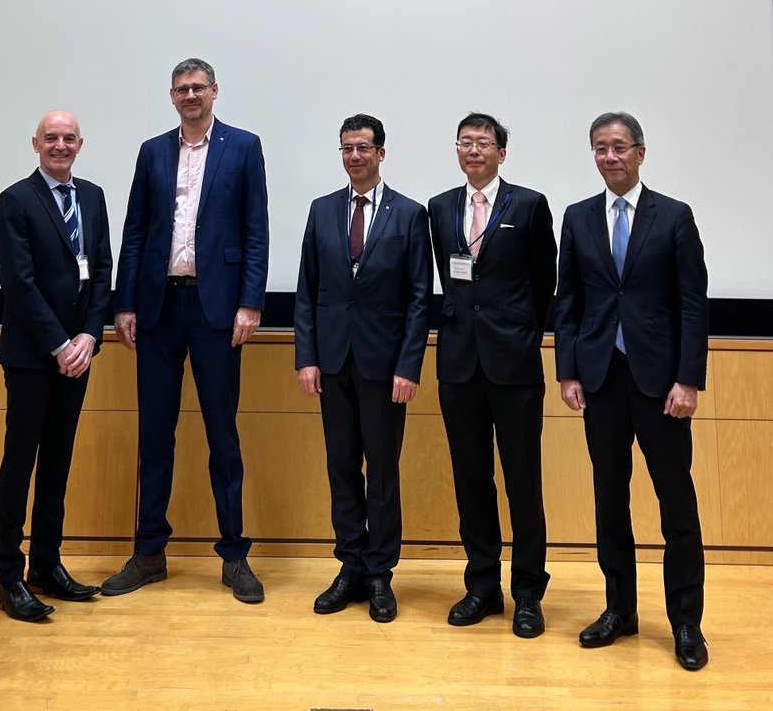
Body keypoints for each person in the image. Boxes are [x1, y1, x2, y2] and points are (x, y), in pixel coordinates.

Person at [103, 59, 269, 603]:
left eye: (199, 87)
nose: (190, 95)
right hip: (156, 309)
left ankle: (234, 555)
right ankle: (149, 552)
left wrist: (250, 303)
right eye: (182, 89)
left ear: (215, 91)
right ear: (171, 96)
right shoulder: (152, 151)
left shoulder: (243, 147)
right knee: (155, 434)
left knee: (223, 436)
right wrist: (123, 304)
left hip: (217, 310)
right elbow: (134, 232)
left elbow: (254, 230)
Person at [553, 112, 709, 671]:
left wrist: (688, 379)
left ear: (640, 153)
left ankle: (686, 622)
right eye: (600, 148)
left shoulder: (674, 217)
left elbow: (693, 303)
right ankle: (620, 609)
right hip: (600, 380)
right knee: (609, 501)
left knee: (676, 504)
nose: (610, 156)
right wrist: (568, 371)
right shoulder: (576, 218)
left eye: (619, 147)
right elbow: (566, 300)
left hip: (661, 383)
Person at [294, 114, 431, 622]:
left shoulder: (410, 215)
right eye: (347, 148)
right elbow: (308, 291)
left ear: (381, 153)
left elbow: (420, 299)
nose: (355, 156)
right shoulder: (322, 210)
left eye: (364, 148)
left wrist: (408, 366)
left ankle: (379, 573)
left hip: (384, 366)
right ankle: (349, 564)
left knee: (383, 473)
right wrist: (306, 357)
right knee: (341, 468)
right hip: (332, 362)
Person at [428, 113, 556, 639]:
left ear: (502, 152)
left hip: (514, 363)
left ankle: (527, 592)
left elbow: (545, 282)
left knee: (523, 480)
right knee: (470, 479)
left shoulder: (528, 204)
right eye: (466, 142)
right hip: (459, 363)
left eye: (484, 143)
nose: (474, 150)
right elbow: (448, 275)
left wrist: (524, 335)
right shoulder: (438, 208)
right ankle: (482, 585)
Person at [0, 110, 113, 621]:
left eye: (68, 139)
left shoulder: (93, 196)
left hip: (78, 354)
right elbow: (18, 283)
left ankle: (47, 563)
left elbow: (102, 269)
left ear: (80, 144)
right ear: (35, 143)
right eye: (51, 138)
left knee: (58, 461)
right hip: (32, 356)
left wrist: (88, 335)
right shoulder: (15, 200)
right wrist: (59, 344)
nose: (60, 146)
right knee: (20, 464)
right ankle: (8, 578)